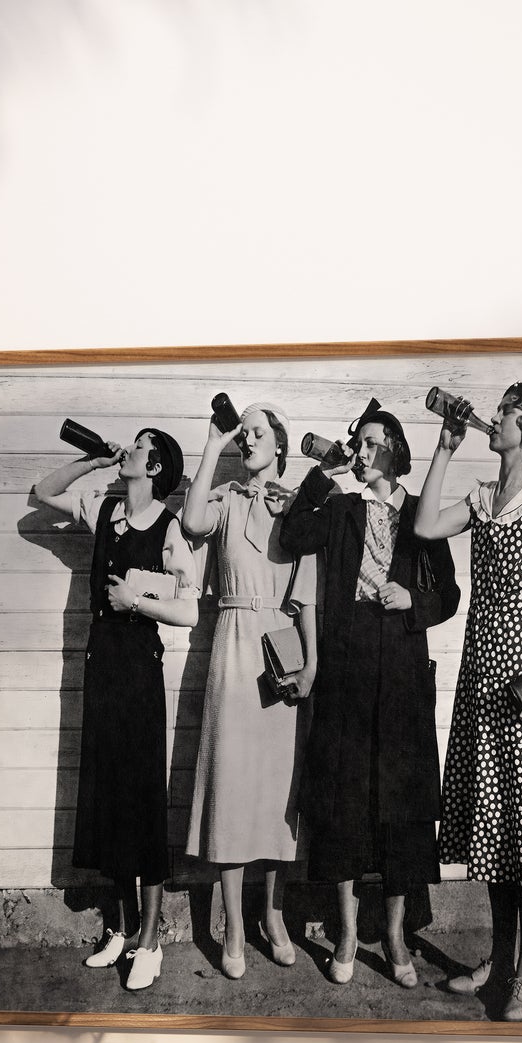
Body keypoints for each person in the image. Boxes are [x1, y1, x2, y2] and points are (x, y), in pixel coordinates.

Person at [415, 382, 522, 1022]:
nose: (498, 414)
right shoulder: (483, 499)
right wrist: (444, 447)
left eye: (509, 409)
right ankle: (501, 955)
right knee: (493, 825)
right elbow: (426, 525)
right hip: (480, 679)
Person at [278, 400, 458, 988]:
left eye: (369, 443)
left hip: (402, 663)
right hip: (348, 661)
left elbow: (450, 594)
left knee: (402, 806)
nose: (360, 450)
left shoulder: (419, 514)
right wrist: (324, 471)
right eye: (358, 443)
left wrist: (415, 602)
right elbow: (293, 533)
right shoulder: (342, 506)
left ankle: (399, 937)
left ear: (393, 452)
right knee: (345, 800)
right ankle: (350, 934)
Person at [33, 429, 201, 991]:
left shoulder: (169, 526)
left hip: (139, 674)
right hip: (100, 665)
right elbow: (43, 489)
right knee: (106, 798)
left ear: (154, 467)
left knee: (142, 801)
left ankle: (151, 940)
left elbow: (190, 611)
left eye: (136, 447)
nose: (126, 450)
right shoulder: (103, 508)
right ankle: (118, 929)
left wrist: (139, 601)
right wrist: (91, 460)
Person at [180, 403, 316, 977]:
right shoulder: (229, 499)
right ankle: (234, 926)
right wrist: (215, 443)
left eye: (260, 432)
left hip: (281, 643)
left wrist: (311, 663)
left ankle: (274, 915)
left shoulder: (297, 505)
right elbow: (189, 523)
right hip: (235, 641)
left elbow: (306, 592)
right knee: (234, 787)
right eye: (245, 433)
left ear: (281, 446)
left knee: (278, 790)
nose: (249, 439)